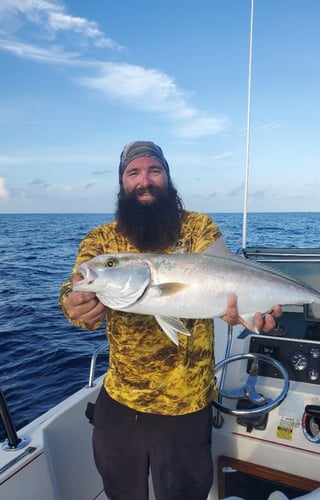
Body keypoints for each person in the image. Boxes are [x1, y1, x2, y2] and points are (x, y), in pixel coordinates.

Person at [59, 141, 281, 500]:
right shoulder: (102, 240)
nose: (145, 180)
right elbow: (74, 287)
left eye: (154, 170)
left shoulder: (197, 227)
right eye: (134, 172)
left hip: (187, 403)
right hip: (121, 399)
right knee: (121, 492)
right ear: (122, 183)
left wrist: (251, 314)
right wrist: (73, 305)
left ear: (167, 177)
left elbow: (229, 282)